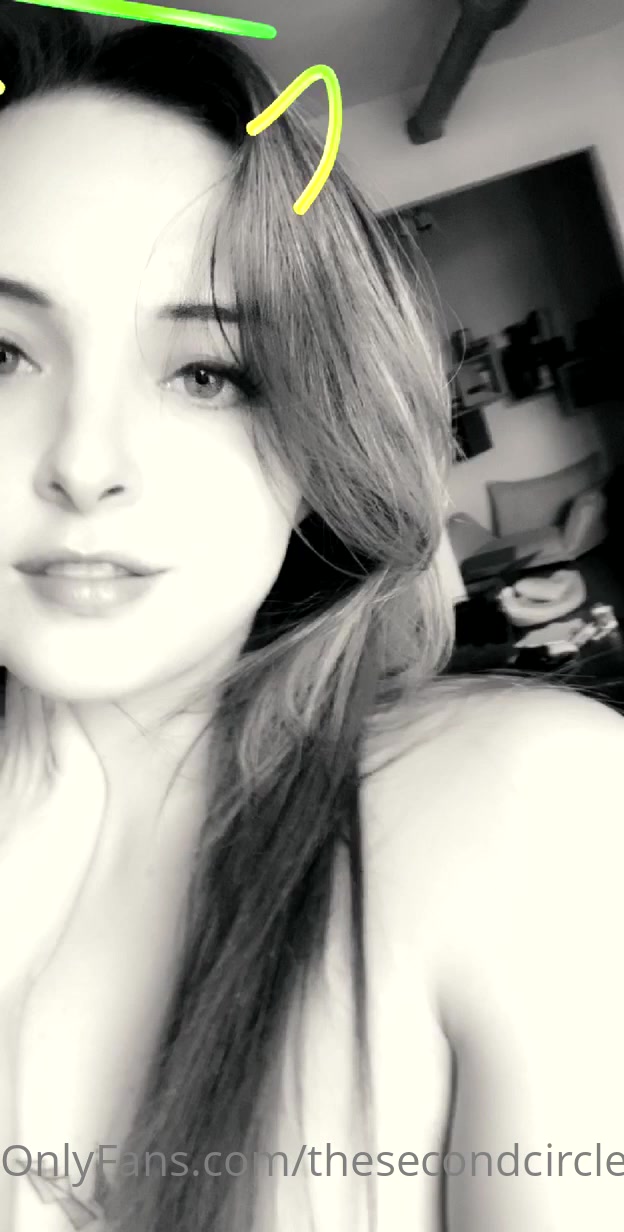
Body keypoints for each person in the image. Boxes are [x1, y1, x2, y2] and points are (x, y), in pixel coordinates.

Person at [0, 7, 623, 1231]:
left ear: (313, 440)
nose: (85, 462)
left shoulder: (529, 810)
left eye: (208, 372)